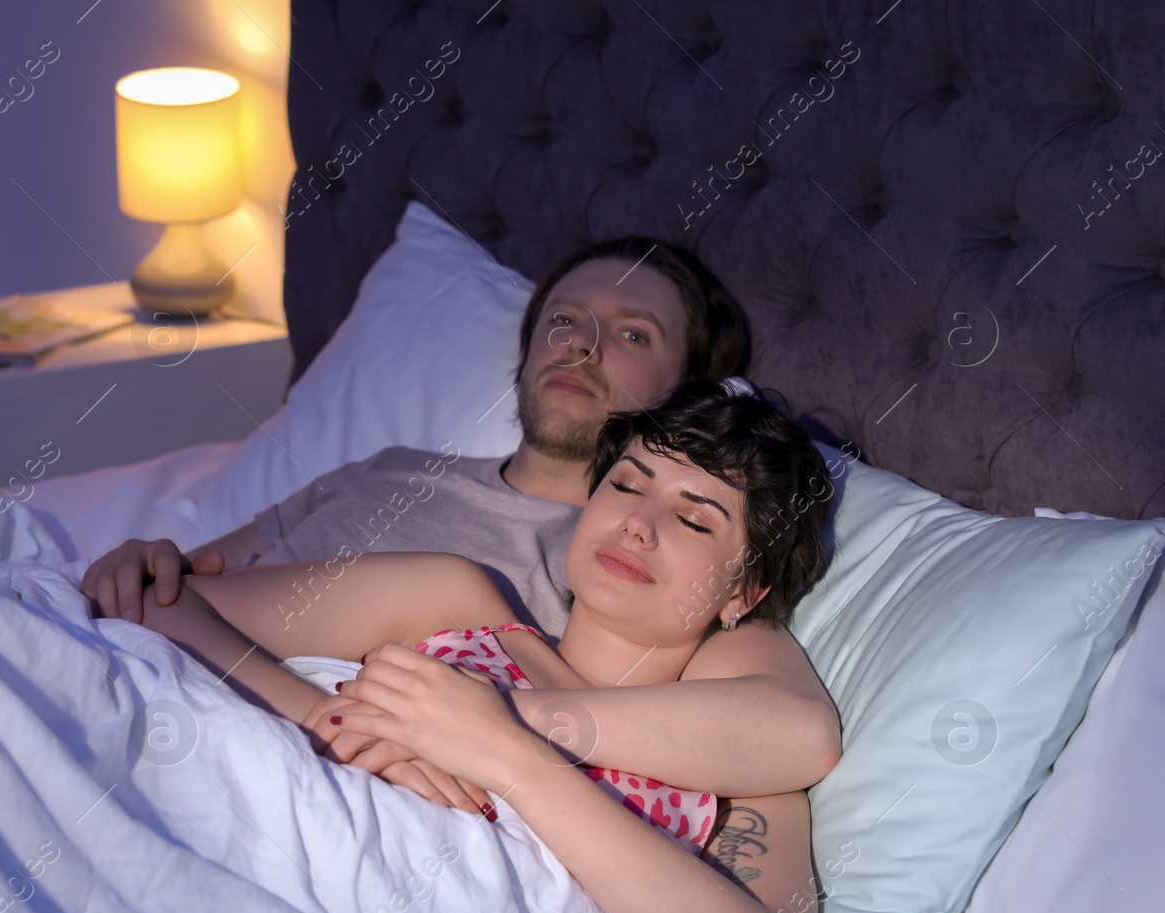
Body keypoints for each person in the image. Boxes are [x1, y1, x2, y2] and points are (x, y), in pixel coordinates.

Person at [84, 236, 841, 814]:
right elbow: (179, 584)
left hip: (283, 752)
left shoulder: (618, 576)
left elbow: (781, 723)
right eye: (564, 322)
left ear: (691, 397)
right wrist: (139, 565)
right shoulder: (388, 467)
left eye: (633, 334)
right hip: (150, 652)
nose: (582, 344)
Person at [136, 381, 834, 913]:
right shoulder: (457, 600)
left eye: (692, 519)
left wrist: (502, 749)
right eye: (625, 484)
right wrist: (327, 720)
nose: (638, 526)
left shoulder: (730, 764)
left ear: (745, 593)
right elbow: (159, 603)